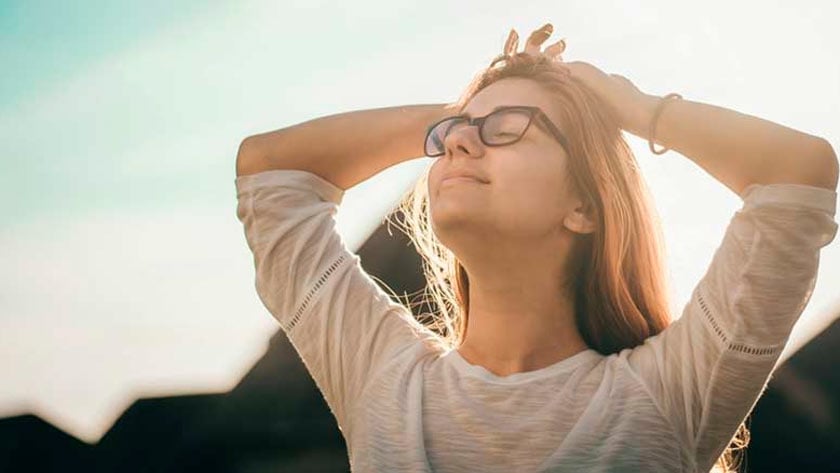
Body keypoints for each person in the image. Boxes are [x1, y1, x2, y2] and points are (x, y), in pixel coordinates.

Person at [234, 23, 838, 473]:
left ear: (584, 206)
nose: (462, 146)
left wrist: (635, 109)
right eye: (451, 139)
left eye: (506, 130)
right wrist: (466, 108)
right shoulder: (381, 377)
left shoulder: (667, 393)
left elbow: (799, 172)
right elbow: (269, 167)